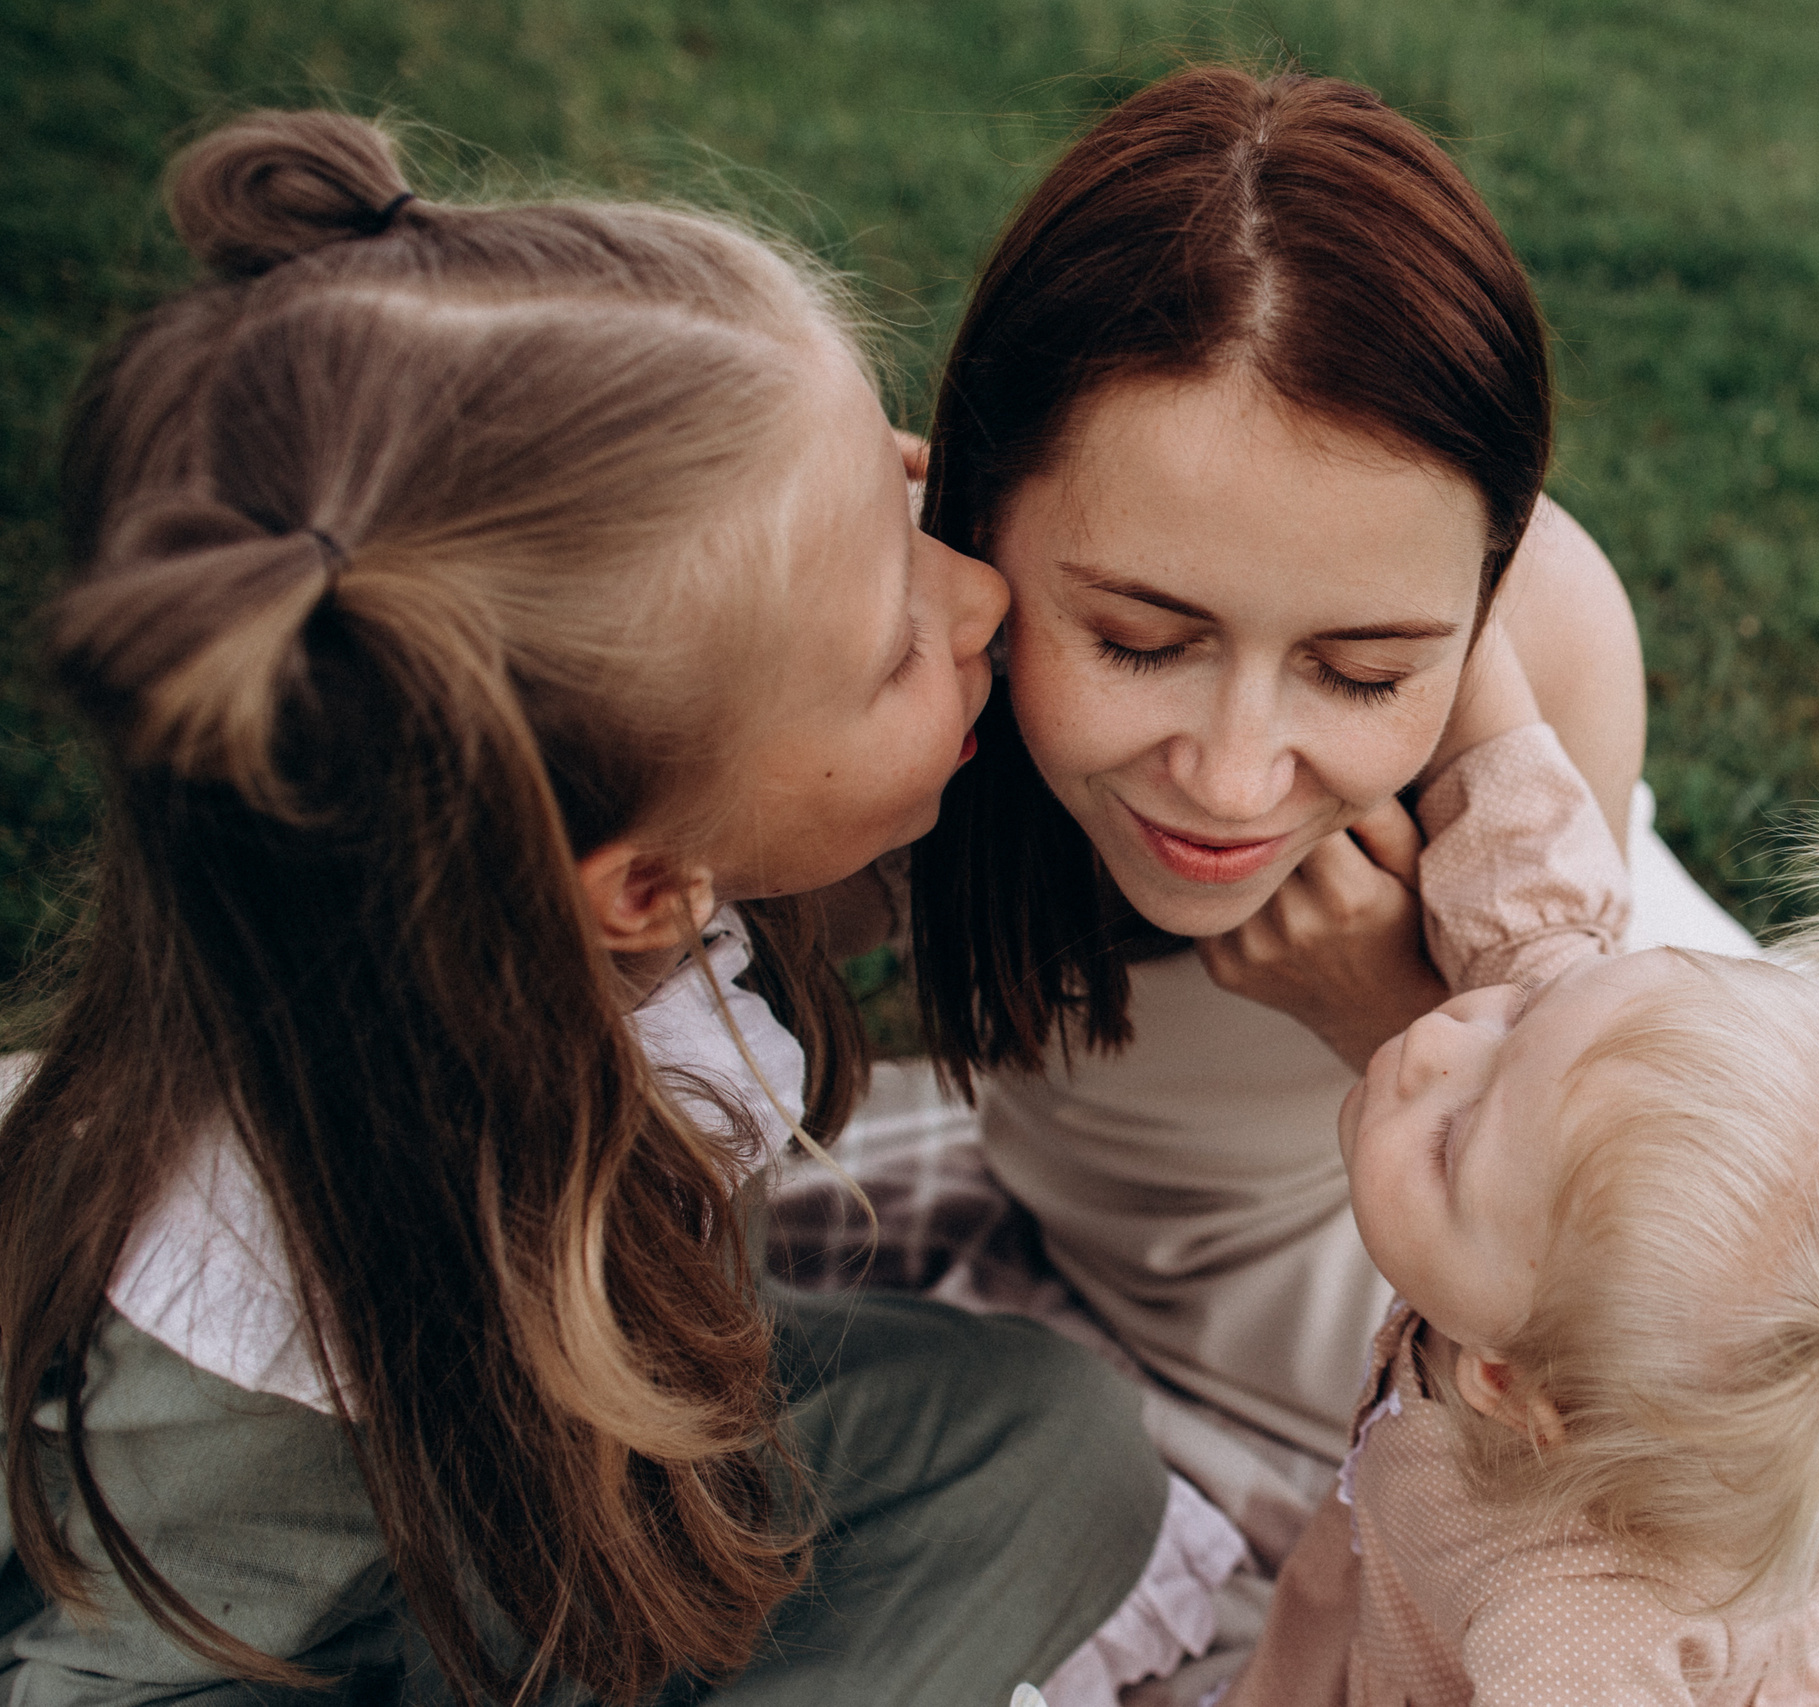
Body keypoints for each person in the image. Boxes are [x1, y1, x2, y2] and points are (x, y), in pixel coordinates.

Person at [0, 110, 1194, 1707]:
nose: (975, 595)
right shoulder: (261, 1317)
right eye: (893, 647)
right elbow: (107, 1668)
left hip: (571, 1507)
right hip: (343, 1622)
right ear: (644, 884)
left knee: (1052, 1451)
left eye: (900, 489)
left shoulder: (582, 887)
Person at [904, 64, 1654, 1476]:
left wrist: (1389, 1018)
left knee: (1769, 1424)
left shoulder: (1552, 641)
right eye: (1137, 641)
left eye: (1365, 673)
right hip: (1185, 1239)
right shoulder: (912, 666)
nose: (1235, 781)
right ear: (983, 519)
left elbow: (1590, 1219)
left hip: (1454, 1197)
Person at [1228, 811, 1819, 1705]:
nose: (1434, 1043)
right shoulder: (1555, 1197)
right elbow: (1527, 837)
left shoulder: (1568, 1637)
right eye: (1519, 1015)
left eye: (1452, 1143)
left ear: (1507, 1384)